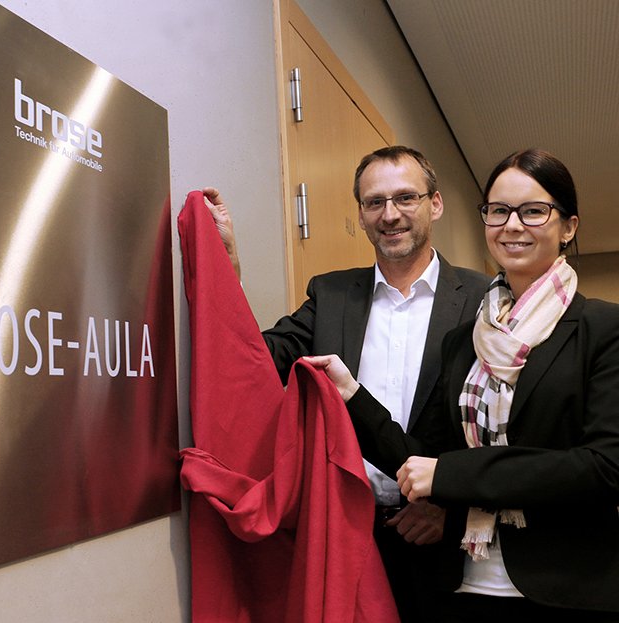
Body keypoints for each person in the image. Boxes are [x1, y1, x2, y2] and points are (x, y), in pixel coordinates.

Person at [310, 149, 619, 621]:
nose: (512, 225)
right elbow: (421, 453)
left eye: (533, 211)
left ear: (569, 227)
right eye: (498, 211)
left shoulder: (602, 327)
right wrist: (351, 394)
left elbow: (604, 469)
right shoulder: (466, 342)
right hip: (463, 586)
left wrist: (455, 477)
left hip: (566, 589)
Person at [204, 145, 490, 622]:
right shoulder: (331, 294)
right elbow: (257, 363)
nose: (390, 215)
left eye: (406, 198)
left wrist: (451, 508)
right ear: (360, 213)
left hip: (443, 542)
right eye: (374, 202)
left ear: (435, 204)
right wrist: (227, 268)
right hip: (346, 532)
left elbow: (498, 427)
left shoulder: (482, 297)